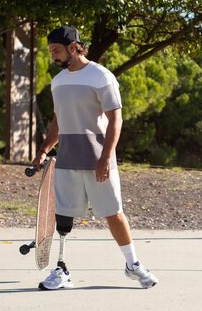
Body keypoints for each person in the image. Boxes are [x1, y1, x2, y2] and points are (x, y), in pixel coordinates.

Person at [32, 25, 158, 290]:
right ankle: (62, 269)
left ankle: (132, 265)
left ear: (74, 47)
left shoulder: (102, 77)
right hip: (67, 159)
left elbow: (116, 119)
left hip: (99, 160)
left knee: (113, 213)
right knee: (64, 216)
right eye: (51, 51)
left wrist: (105, 157)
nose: (53, 56)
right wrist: (44, 149)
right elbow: (58, 121)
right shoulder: (58, 82)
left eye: (56, 50)